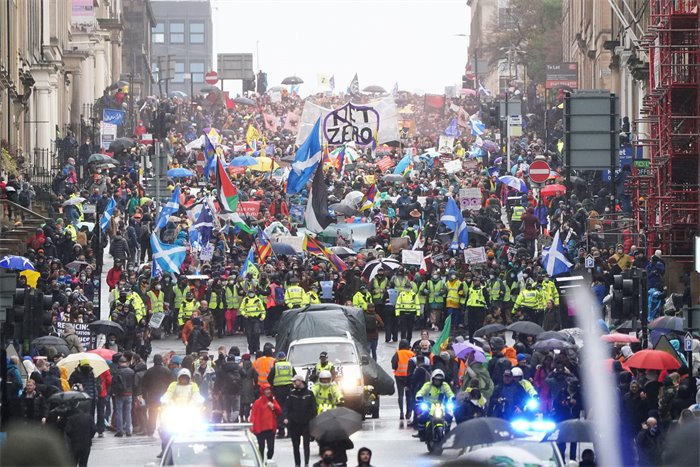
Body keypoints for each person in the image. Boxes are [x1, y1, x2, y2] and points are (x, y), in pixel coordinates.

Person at [158, 369, 202, 458]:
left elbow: (196, 395)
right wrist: (165, 400)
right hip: (174, 411)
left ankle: (192, 450)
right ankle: (164, 450)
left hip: (189, 412)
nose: (183, 379)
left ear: (189, 378)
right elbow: (168, 394)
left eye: (186, 378)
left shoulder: (193, 386)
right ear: (178, 377)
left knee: (197, 429)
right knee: (165, 430)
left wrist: (196, 402)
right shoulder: (173, 385)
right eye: (182, 377)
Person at [285, 374, 317, 467]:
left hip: (306, 423)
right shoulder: (291, 394)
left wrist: (310, 419)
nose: (294, 383)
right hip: (294, 424)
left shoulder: (309, 394)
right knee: (295, 445)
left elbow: (313, 408)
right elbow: (287, 407)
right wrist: (288, 418)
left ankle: (306, 463)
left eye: (295, 381)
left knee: (306, 444)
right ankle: (297, 464)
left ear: (300, 381)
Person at [414, 369, 455, 440]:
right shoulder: (428, 385)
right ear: (432, 379)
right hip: (429, 405)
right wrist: (419, 396)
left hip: (441, 405)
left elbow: (450, 393)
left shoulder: (445, 385)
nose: (437, 381)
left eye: (439, 380)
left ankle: (447, 430)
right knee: (422, 416)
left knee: (449, 415)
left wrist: (452, 398)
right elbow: (421, 392)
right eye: (436, 380)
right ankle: (421, 433)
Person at [140, 354, 174, 437]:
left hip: (152, 397)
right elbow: (172, 383)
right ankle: (166, 428)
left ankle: (151, 429)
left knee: (152, 414)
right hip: (165, 397)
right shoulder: (167, 371)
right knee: (165, 413)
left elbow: (144, 385)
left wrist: (144, 396)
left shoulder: (149, 371)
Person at [250, 383, 282, 462]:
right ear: (263, 391)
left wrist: (273, 407)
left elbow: (279, 411)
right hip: (260, 429)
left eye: (269, 390)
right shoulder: (257, 402)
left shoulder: (273, 401)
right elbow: (253, 415)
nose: (268, 391)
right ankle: (261, 463)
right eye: (266, 390)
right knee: (261, 448)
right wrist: (252, 426)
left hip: (270, 429)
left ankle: (269, 461)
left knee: (271, 448)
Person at [268, 351, 295, 438]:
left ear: (278, 358)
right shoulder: (290, 365)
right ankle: (290, 431)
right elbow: (295, 376)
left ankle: (281, 431)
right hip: (289, 389)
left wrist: (273, 385)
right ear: (285, 357)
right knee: (289, 409)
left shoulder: (275, 367)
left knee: (279, 409)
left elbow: (269, 378)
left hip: (278, 390)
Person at [64, 402, 96, 467]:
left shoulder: (71, 418)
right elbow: (94, 429)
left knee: (73, 462)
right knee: (83, 463)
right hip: (86, 444)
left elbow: (68, 431)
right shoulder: (89, 417)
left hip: (75, 444)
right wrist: (89, 437)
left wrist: (72, 437)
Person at [111, 356, 135, 437]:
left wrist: (113, 392)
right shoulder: (131, 371)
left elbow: (113, 383)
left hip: (119, 394)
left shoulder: (117, 372)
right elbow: (134, 383)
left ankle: (120, 431)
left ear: (119, 363)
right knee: (128, 413)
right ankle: (128, 431)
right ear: (126, 363)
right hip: (129, 394)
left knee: (119, 413)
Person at [391, 339, 415, 420]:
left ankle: (401, 412)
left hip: (399, 376)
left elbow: (393, 364)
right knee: (409, 396)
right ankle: (409, 413)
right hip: (409, 377)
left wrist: (396, 368)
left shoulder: (398, 353)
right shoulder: (411, 353)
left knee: (400, 395)